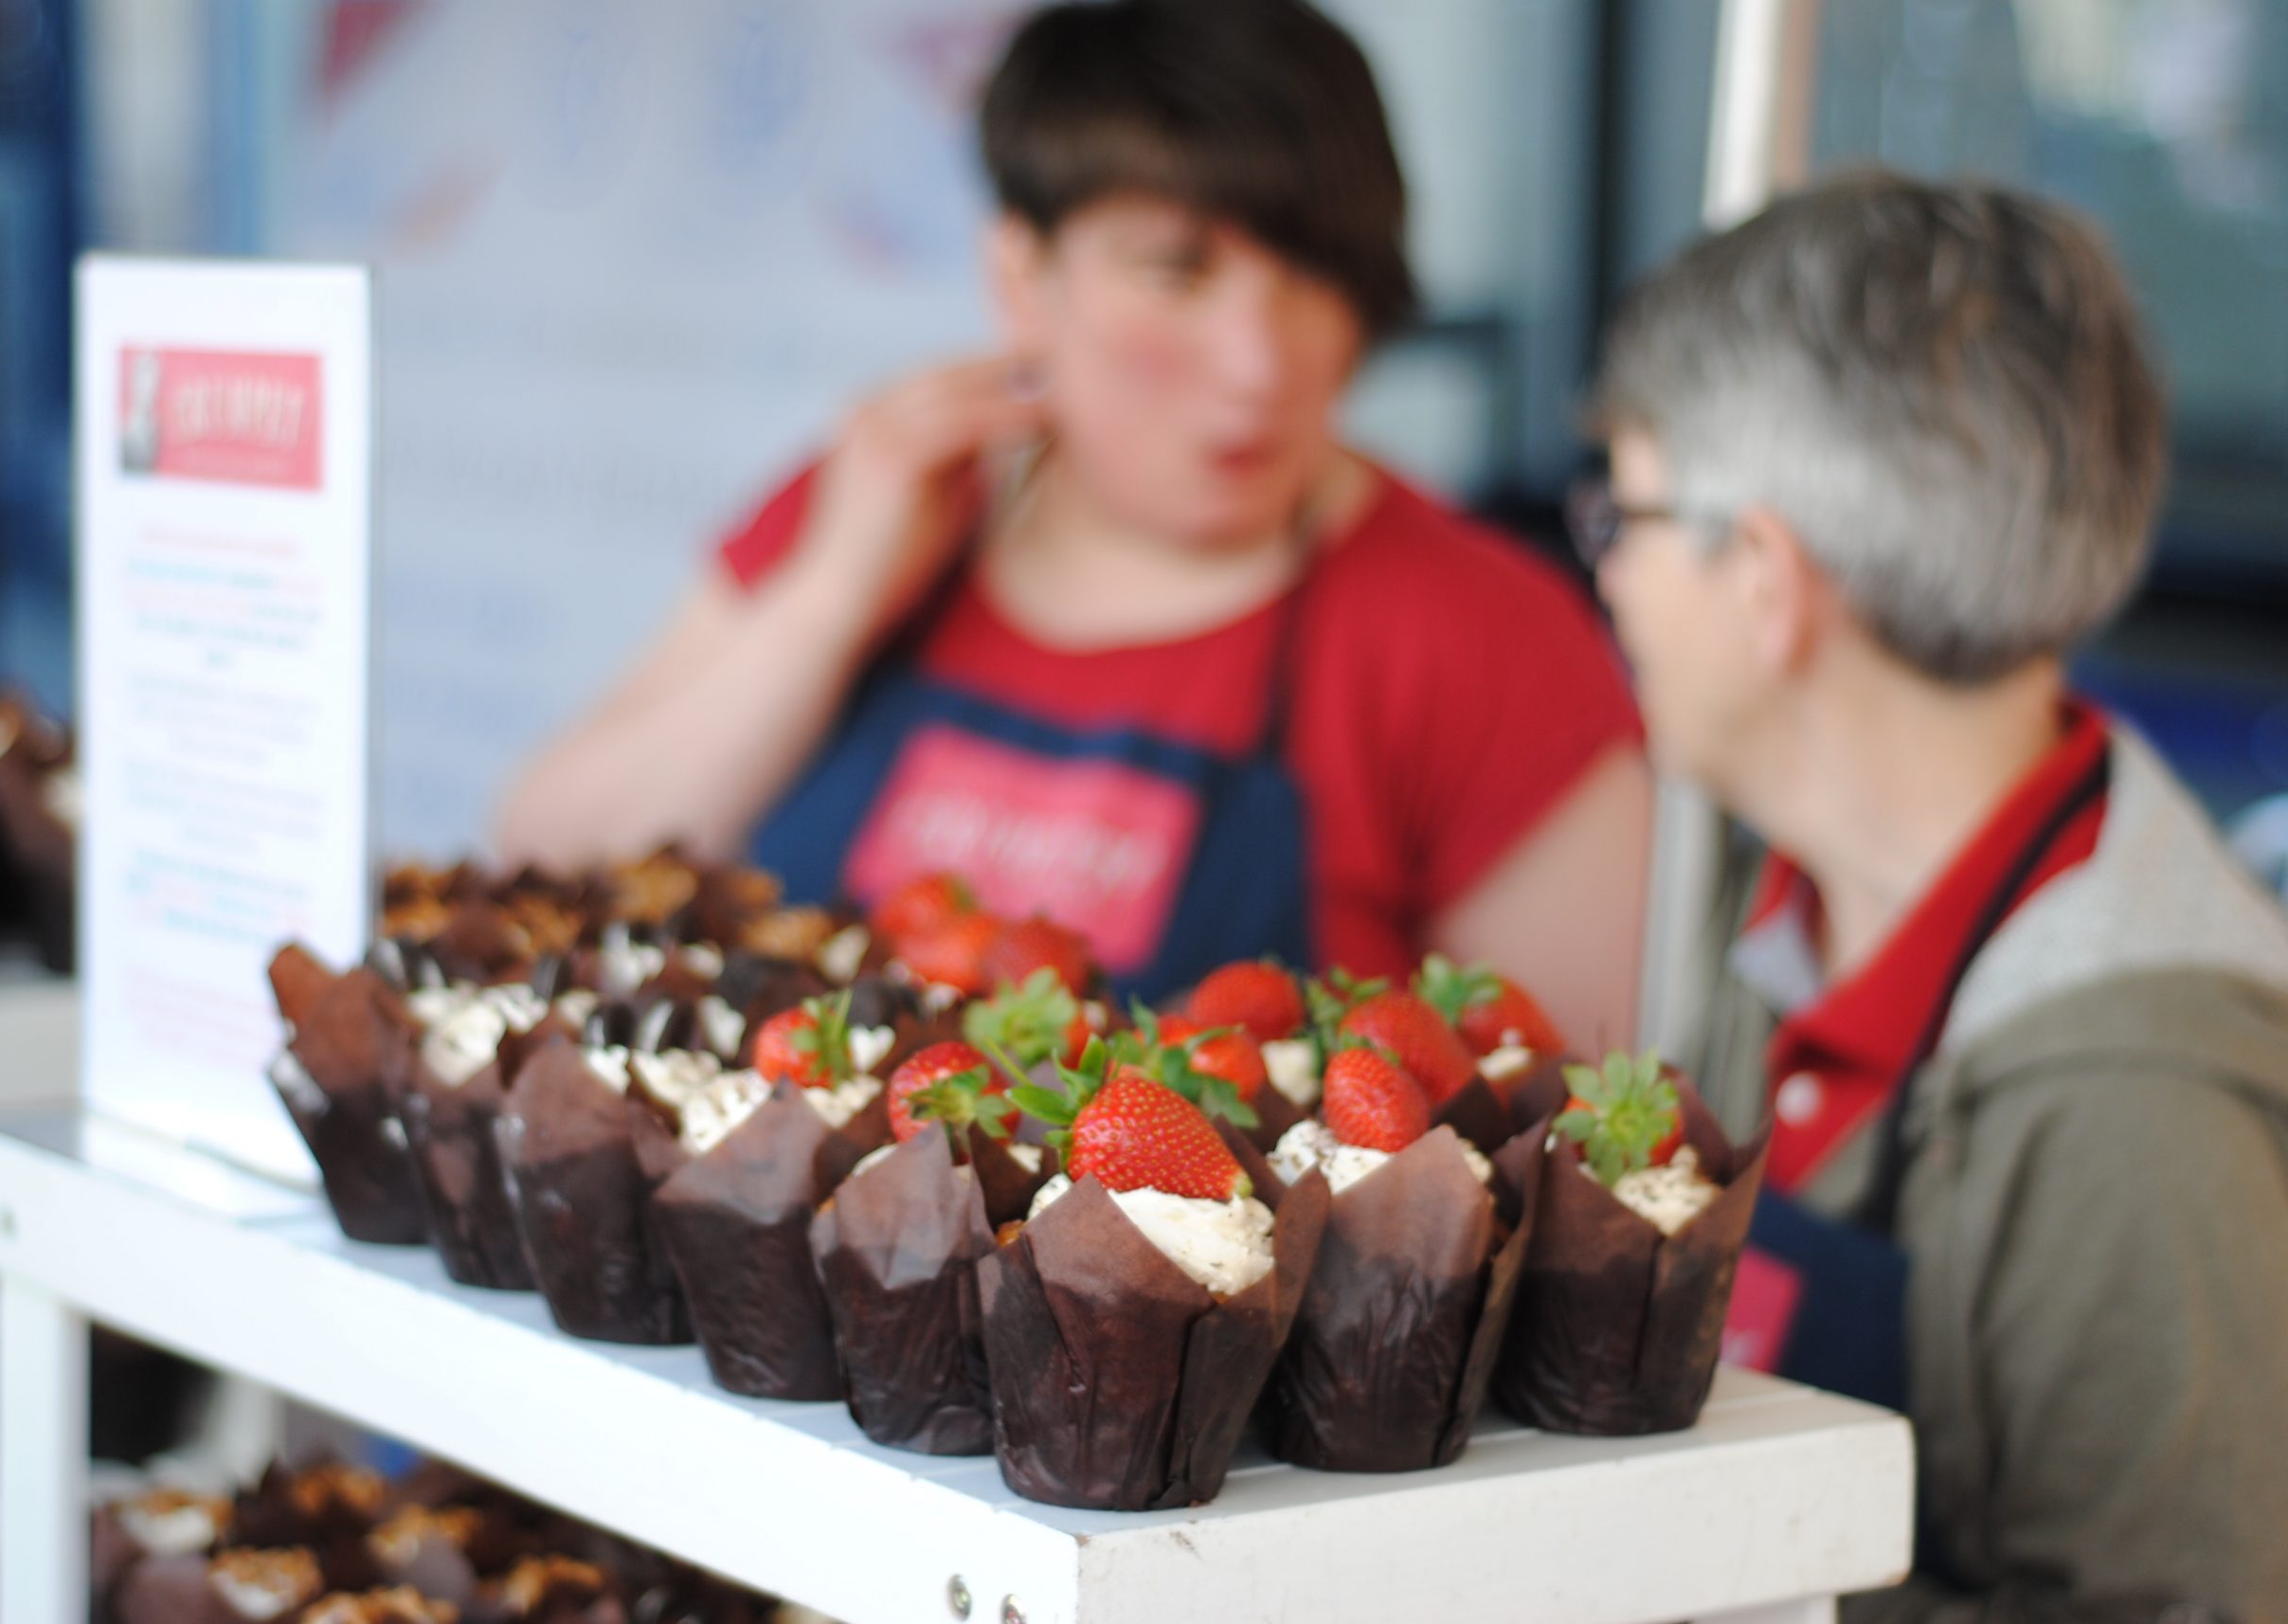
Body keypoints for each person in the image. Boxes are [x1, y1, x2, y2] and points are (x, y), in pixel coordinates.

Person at [500, 0, 1649, 1022]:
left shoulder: (1484, 635)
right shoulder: (874, 500)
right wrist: (827, 605)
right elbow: (542, 875)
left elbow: (1570, 1138)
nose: (1258, 365)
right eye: (1177, 272)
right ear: (1021, 280)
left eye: (1313, 276)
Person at [1585, 171, 2288, 1622]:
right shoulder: (1780, 898)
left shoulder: (2136, 1098)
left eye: (1626, 514)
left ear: (1766, 579)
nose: (1610, 578)